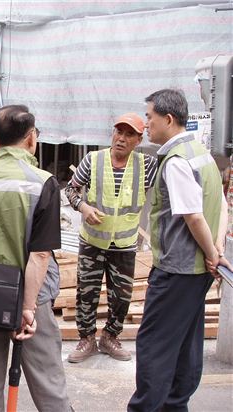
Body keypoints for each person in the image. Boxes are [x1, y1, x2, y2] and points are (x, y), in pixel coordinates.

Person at [0, 105, 71, 412]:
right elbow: (40, 254)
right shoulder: (43, 183)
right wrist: (27, 307)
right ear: (31, 138)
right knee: (47, 382)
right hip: (34, 300)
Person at [128, 89, 232, 411]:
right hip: (197, 271)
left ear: (168, 119)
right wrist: (216, 248)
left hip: (177, 271)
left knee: (155, 347)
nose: (146, 124)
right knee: (186, 345)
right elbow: (221, 206)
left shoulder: (176, 161)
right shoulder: (200, 151)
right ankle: (175, 404)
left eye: (149, 117)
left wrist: (213, 254)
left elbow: (193, 215)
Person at [65, 112, 157, 363]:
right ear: (112, 133)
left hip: (125, 245)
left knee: (122, 296)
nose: (121, 138)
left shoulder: (147, 165)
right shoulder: (92, 160)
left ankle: (110, 337)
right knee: (86, 293)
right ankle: (86, 339)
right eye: (119, 132)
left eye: (129, 134)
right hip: (92, 242)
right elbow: (70, 189)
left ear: (139, 139)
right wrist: (83, 207)